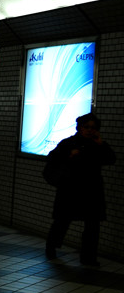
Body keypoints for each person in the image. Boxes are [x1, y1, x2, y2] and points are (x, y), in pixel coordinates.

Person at [44, 112, 115, 266]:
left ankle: (88, 257)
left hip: (92, 190)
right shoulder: (68, 143)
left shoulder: (98, 144)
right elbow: (52, 158)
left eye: (93, 127)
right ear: (79, 127)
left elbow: (111, 159)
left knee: (92, 225)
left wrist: (101, 144)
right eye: (86, 127)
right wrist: (69, 155)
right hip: (71, 189)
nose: (90, 130)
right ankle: (51, 248)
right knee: (62, 221)